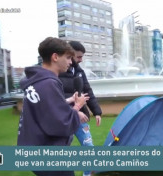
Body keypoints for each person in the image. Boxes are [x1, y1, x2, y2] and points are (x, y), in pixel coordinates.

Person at [17, 37, 89, 176]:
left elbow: (45, 109)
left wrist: (67, 101)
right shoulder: (49, 83)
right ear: (55, 57)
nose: (70, 62)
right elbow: (61, 124)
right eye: (68, 57)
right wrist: (77, 106)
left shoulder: (36, 82)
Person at [59, 41, 102, 176]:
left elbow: (87, 91)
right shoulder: (57, 72)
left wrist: (97, 112)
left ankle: (87, 174)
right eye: (79, 57)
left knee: (89, 149)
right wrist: (75, 111)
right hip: (65, 120)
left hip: (80, 119)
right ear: (70, 54)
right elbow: (57, 100)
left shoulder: (79, 71)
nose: (81, 60)